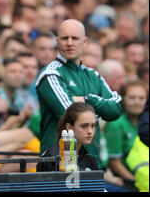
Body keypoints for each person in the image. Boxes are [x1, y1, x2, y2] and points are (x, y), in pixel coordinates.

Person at [35, 19, 122, 165]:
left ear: (85, 41)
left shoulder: (93, 75)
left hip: (92, 159)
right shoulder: (50, 74)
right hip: (60, 161)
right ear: (57, 41)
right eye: (64, 38)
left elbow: (116, 109)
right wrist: (100, 106)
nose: (69, 43)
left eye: (74, 38)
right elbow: (71, 114)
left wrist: (87, 99)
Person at [104, 80, 148, 191]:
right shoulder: (116, 124)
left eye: (141, 98)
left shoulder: (146, 123)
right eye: (131, 98)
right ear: (123, 99)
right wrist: (136, 181)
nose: (137, 102)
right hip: (127, 181)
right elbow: (115, 163)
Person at [37, 102, 98, 172]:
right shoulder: (52, 157)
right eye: (84, 126)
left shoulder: (90, 158)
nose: (90, 131)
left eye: (93, 125)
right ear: (69, 127)